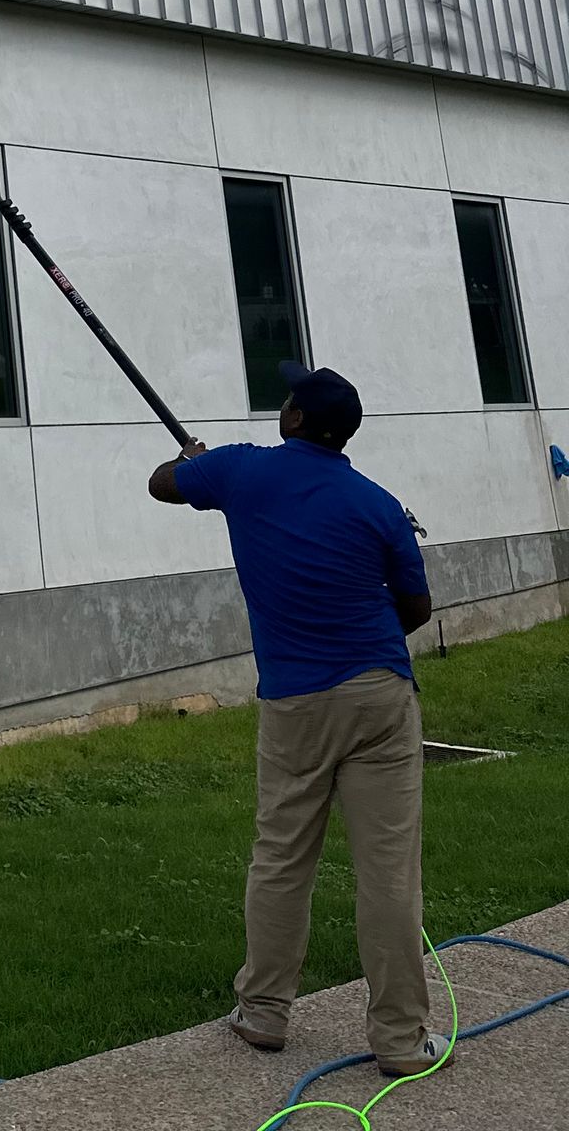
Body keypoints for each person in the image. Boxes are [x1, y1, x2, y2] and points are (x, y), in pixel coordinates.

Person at [147, 361, 440, 1077]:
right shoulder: (377, 502)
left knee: (281, 856)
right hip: (380, 692)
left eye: (288, 400)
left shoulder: (241, 473)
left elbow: (161, 484)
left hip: (295, 702)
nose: (282, 404)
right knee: (389, 873)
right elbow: (416, 607)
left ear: (297, 421)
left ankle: (264, 1014)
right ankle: (402, 1041)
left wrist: (196, 463)